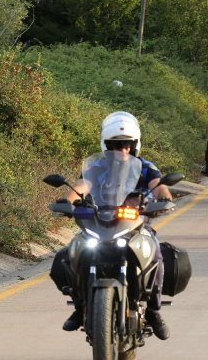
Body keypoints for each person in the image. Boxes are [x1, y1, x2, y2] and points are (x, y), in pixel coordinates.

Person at [50, 111, 171, 339]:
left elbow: (158, 186)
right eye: (116, 145)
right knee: (72, 253)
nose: (122, 149)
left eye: (126, 144)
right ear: (107, 146)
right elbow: (82, 186)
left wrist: (164, 198)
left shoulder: (146, 167)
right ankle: (79, 306)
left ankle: (154, 311)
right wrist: (68, 201)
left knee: (156, 255)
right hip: (99, 222)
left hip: (135, 225)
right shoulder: (96, 166)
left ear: (134, 145)